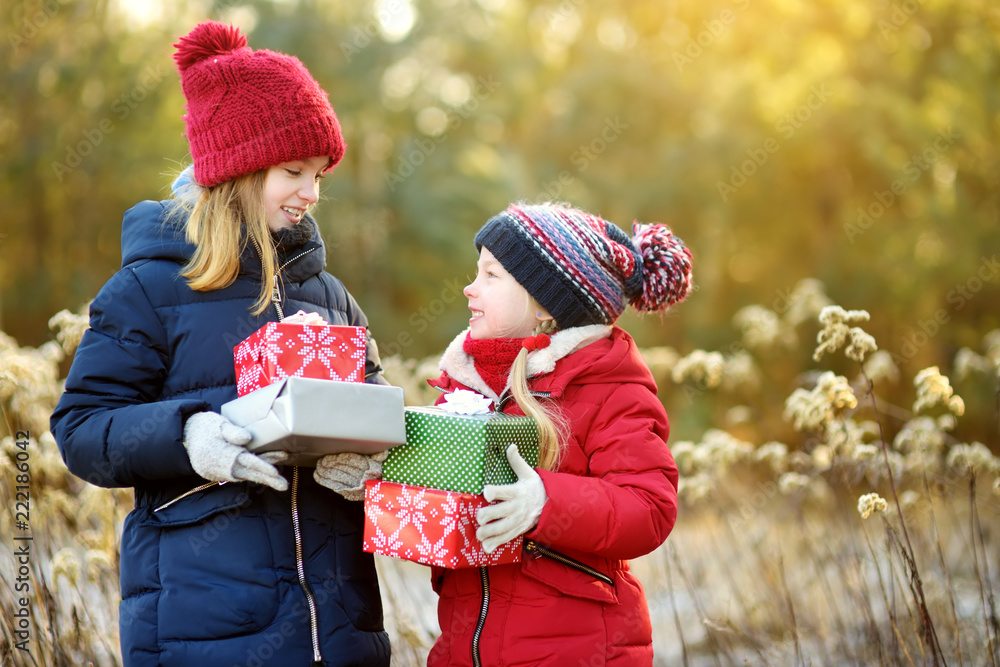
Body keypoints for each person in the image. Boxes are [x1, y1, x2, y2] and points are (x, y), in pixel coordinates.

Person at [50, 21, 389, 666]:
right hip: (200, 629)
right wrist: (190, 435)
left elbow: (374, 407)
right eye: (294, 170)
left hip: (340, 631)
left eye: (319, 174)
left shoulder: (331, 295)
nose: (311, 194)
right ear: (237, 169)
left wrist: (369, 468)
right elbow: (82, 428)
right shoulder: (148, 289)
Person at [424, 203, 693, 666]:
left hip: (577, 649)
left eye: (491, 275)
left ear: (546, 302)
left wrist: (546, 502)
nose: (470, 288)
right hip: (464, 648)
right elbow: (437, 511)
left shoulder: (609, 384)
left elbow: (650, 507)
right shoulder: (467, 386)